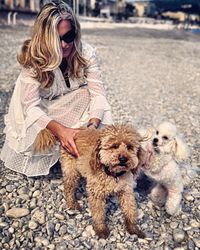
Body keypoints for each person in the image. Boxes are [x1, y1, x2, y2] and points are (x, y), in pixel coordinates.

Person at [0, 0, 113, 177]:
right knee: (37, 128)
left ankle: (75, 147)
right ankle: (56, 148)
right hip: (38, 114)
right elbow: (30, 108)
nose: (64, 45)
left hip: (62, 106)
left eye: (69, 36)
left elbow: (99, 95)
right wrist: (61, 131)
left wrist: (92, 127)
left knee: (89, 98)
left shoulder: (85, 53)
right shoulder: (33, 58)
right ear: (45, 38)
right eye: (56, 39)